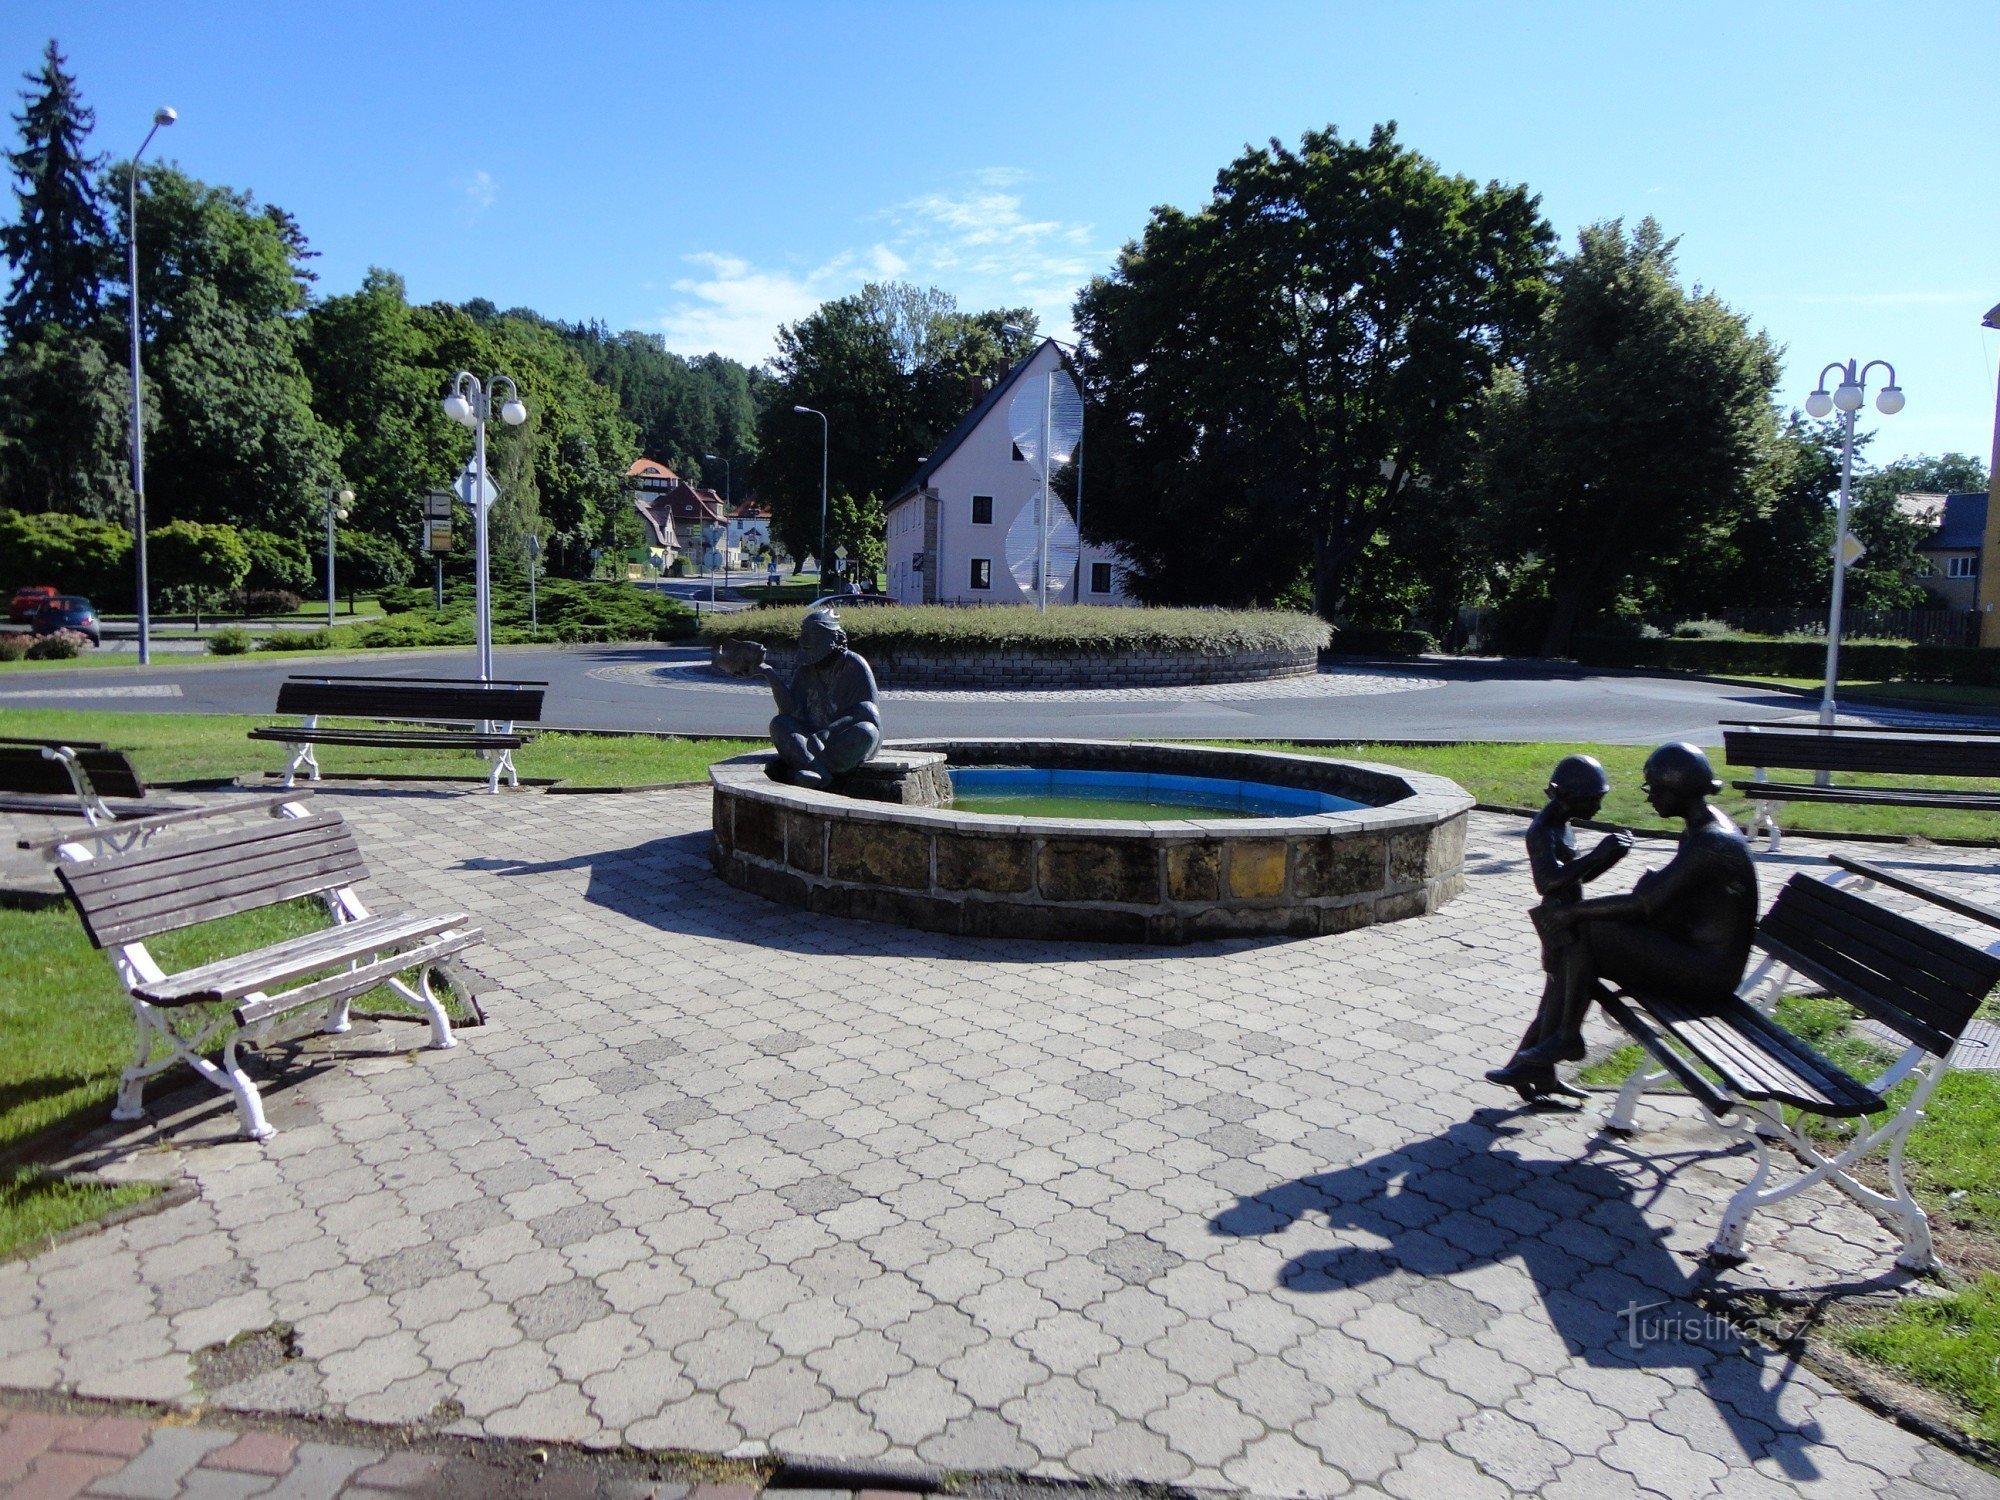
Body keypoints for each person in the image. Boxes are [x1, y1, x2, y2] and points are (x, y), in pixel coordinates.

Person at [1486, 742, 1757, 1102]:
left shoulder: (1712, 842)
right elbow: (1669, 899)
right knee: (1581, 938)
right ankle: (1549, 1053)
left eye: (1654, 790)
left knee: (1586, 930)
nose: (1649, 800)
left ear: (1676, 791)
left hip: (1707, 974)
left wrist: (1571, 912)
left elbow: (1644, 904)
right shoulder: (1702, 827)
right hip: (1691, 954)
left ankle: (1561, 1041)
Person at [1488, 756, 1632, 1101]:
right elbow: (1547, 882)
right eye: (1594, 798)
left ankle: (1534, 1072)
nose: (1599, 805)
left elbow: (1579, 873)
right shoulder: (1542, 830)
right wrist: (1598, 854)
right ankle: (1522, 1069)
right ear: (1570, 796)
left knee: (1554, 1000)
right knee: (1556, 999)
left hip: (1572, 919)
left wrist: (1610, 857)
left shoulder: (1565, 824)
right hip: (1558, 926)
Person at [737, 606, 882, 787]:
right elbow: (791, 712)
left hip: (841, 739)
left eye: (814, 635)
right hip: (811, 740)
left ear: (833, 639)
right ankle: (819, 773)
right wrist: (768, 673)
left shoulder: (854, 664)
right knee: (779, 724)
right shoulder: (807, 667)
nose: (804, 641)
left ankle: (810, 768)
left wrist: (828, 732)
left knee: (866, 732)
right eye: (803, 634)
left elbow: (868, 712)